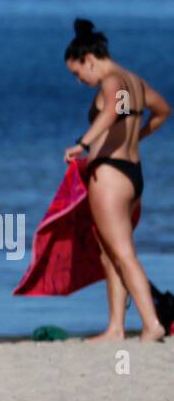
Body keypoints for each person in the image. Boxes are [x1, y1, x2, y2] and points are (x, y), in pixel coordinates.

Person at [63, 18, 169, 342]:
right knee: (109, 252)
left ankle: (151, 324)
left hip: (110, 175)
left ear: (89, 60)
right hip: (133, 175)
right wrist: (136, 138)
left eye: (78, 73)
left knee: (121, 253)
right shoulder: (134, 82)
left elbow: (111, 111)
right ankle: (116, 328)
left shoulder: (110, 80)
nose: (81, 81)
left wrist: (84, 144)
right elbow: (163, 110)